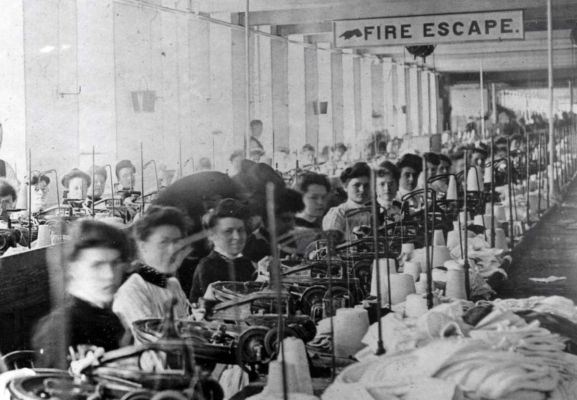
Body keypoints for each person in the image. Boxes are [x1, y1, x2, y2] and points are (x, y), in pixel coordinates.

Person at [33, 219, 131, 368]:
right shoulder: (58, 328)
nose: (110, 275)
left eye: (115, 263)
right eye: (97, 265)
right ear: (72, 268)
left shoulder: (108, 317)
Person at [113, 206, 193, 337]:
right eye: (164, 242)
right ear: (143, 246)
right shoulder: (132, 292)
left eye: (177, 242)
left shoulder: (173, 285)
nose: (172, 250)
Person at [190, 199, 255, 303]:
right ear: (211, 235)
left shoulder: (248, 264)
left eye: (240, 230)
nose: (237, 237)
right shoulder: (207, 266)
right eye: (228, 231)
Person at [243, 187, 304, 263]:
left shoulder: (288, 239)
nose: (292, 225)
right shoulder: (253, 246)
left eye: (294, 219)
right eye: (285, 219)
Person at [322, 162, 371, 240]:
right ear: (345, 187)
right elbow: (331, 241)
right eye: (356, 185)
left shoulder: (371, 211)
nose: (362, 190)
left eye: (366, 186)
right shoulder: (337, 213)